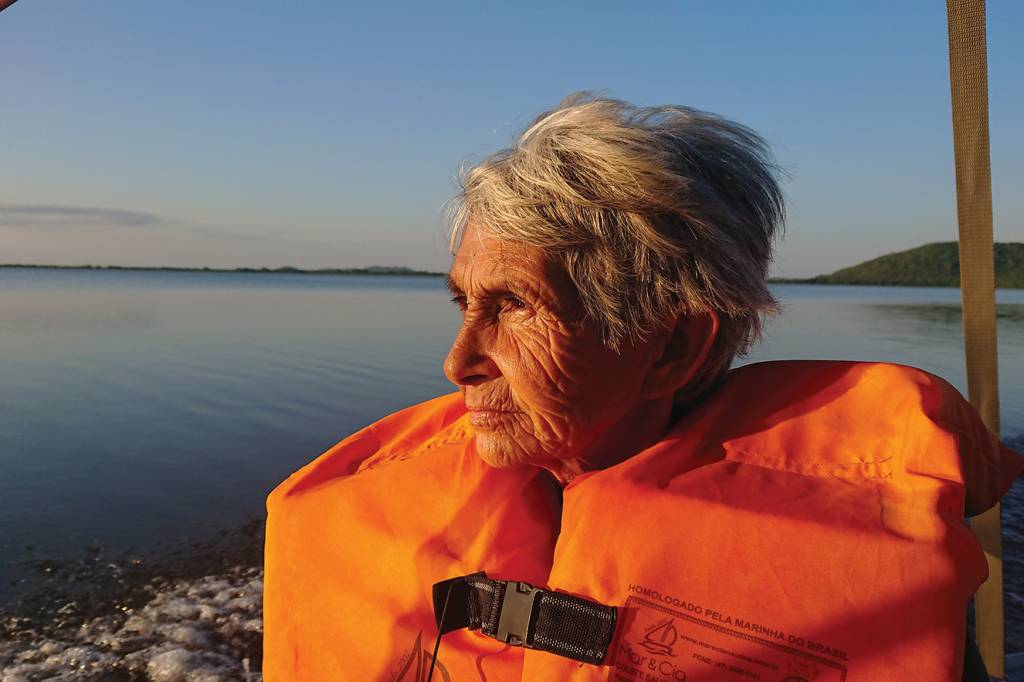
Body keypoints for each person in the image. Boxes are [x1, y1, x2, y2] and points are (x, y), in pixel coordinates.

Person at [263, 93, 1023, 681]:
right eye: (466, 304)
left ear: (673, 348)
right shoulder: (393, 495)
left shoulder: (872, 568)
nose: (458, 362)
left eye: (515, 307)